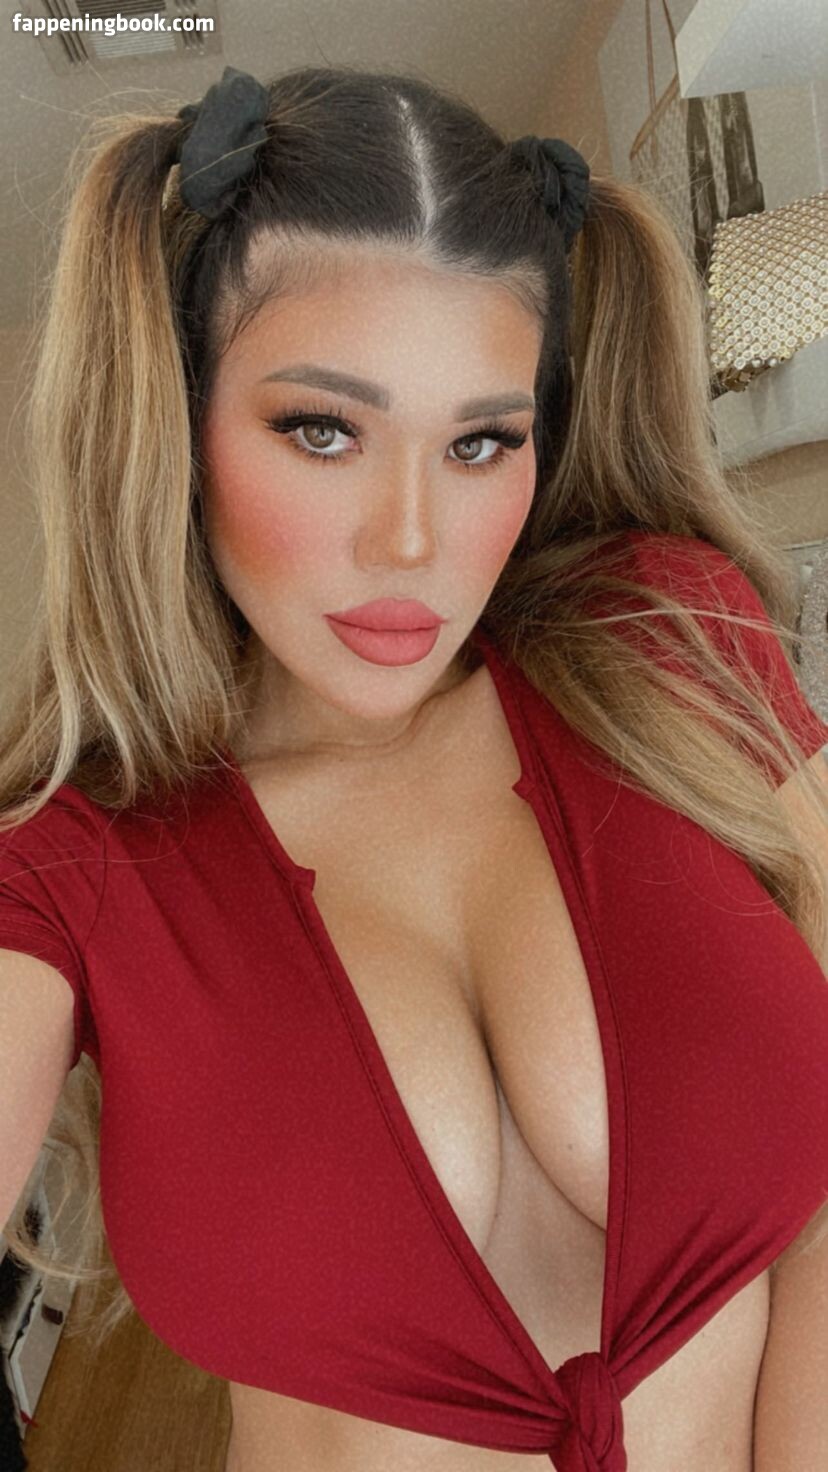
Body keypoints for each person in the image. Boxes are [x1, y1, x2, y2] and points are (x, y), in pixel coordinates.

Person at [1, 63, 826, 1472]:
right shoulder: (72, 863)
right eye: (322, 431)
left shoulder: (664, 640)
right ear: (175, 425)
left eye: (481, 441)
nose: (411, 540)